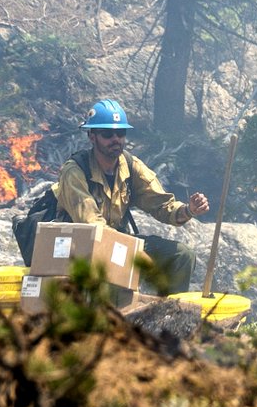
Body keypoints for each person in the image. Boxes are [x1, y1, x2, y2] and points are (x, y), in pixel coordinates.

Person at [54, 99, 209, 295]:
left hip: (117, 243)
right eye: (107, 134)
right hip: (80, 247)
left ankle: (170, 311)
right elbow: (92, 225)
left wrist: (188, 210)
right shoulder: (75, 171)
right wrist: (132, 252)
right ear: (92, 136)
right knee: (117, 267)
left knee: (181, 255)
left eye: (120, 133)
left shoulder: (130, 165)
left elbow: (161, 205)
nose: (115, 139)